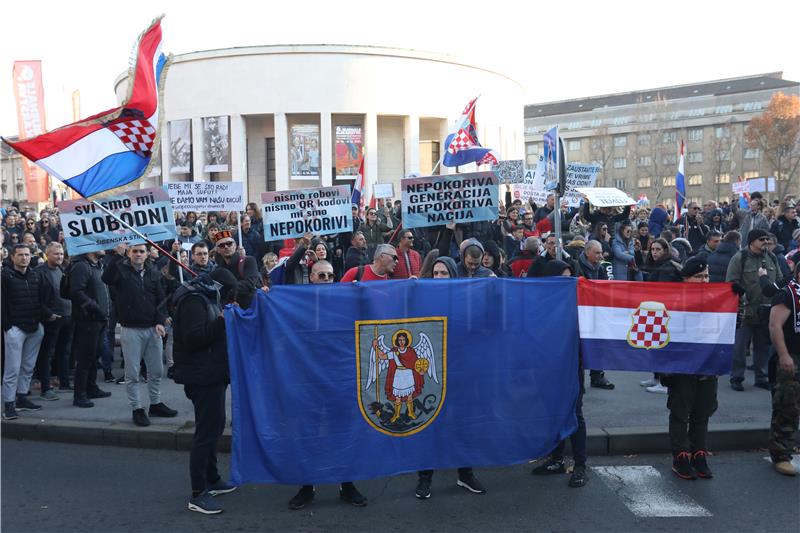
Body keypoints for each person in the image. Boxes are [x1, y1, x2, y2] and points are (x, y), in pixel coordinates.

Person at [288, 259, 368, 509]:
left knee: (343, 433)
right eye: (320, 275)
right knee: (308, 434)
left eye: (330, 276)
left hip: (339, 380)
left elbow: (372, 313)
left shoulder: (345, 301)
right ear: (310, 277)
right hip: (308, 382)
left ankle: (347, 483)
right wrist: (268, 297)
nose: (325, 280)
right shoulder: (297, 303)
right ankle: (307, 485)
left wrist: (361, 295)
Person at [413, 253, 486, 499]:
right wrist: (409, 290)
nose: (439, 277)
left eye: (444, 273)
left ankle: (465, 474)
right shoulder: (423, 298)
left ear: (453, 275)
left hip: (462, 373)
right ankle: (425, 478)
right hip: (433, 376)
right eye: (435, 273)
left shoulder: (466, 299)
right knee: (429, 425)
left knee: (463, 425)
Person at [172, 268, 240, 514]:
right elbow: (193, 339)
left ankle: (212, 478)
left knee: (215, 426)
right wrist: (221, 321)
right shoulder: (194, 301)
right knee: (206, 432)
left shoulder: (207, 298)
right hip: (201, 376)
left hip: (212, 372)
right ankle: (197, 493)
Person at [102, 244, 177, 426]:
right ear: (129, 253)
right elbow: (107, 278)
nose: (138, 254)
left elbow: (161, 300)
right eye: (134, 251)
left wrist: (160, 321)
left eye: (141, 251)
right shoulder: (120, 270)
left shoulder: (154, 273)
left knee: (157, 370)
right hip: (131, 330)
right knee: (133, 374)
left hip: (152, 329)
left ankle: (155, 403)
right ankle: (137, 408)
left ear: (146, 255)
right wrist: (116, 256)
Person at [531, 258, 588, 487]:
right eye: (560, 279)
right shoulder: (540, 303)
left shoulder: (580, 303)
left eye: (569, 278)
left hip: (572, 365)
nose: (566, 283)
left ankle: (580, 465)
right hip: (547, 365)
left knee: (574, 413)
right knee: (552, 411)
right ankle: (556, 459)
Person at [661, 256, 718, 480]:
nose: (704, 280)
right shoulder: (674, 301)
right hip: (681, 368)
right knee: (680, 413)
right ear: (685, 278)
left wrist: (736, 298)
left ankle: (699, 454)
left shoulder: (717, 298)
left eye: (706, 276)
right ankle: (681, 455)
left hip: (707, 366)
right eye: (698, 276)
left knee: (702, 413)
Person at [726, 229, 783, 391]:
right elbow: (731, 283)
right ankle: (736, 377)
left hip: (766, 311)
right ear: (752, 242)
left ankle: (761, 377)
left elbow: (778, 280)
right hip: (746, 311)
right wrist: (743, 299)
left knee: (762, 347)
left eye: (767, 238)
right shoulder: (740, 258)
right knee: (739, 347)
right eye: (761, 239)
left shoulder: (771, 257)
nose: (765, 241)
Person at [2, 245, 52, 419]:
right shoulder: (4, 276)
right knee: (12, 369)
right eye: (20, 255)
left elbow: (42, 299)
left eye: (27, 255)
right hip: (16, 328)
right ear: (13, 257)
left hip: (35, 327)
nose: (24, 258)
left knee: (28, 366)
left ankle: (22, 398)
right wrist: (7, 326)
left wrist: (46, 317)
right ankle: (9, 404)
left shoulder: (35, 275)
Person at [766, 261, 800, 476]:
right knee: (787, 407)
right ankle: (781, 455)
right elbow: (775, 325)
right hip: (793, 358)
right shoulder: (788, 294)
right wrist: (784, 355)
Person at [68, 248, 113, 408]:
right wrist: (93, 307)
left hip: (100, 319)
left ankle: (91, 388)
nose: (104, 248)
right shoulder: (81, 266)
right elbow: (76, 291)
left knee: (94, 355)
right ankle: (79, 395)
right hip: (88, 319)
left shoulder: (98, 265)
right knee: (85, 357)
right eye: (99, 245)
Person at [573, 240, 615, 390]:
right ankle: (576, 380)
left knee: (597, 344)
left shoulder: (601, 267)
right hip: (580, 312)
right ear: (587, 252)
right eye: (597, 253)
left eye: (601, 252)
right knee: (579, 347)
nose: (600, 256)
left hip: (596, 311)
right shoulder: (576, 266)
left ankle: (597, 376)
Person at [34, 242, 73, 400]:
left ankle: (64, 382)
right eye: (56, 254)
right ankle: (45, 387)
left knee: (64, 352)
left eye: (61, 254)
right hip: (51, 318)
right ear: (47, 255)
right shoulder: (39, 272)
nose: (59, 257)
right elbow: (35, 297)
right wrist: (48, 314)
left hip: (67, 316)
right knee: (47, 353)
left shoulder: (63, 269)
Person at [212, 230, 261, 310]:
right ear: (217, 250)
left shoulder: (248, 261)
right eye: (221, 245)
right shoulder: (218, 269)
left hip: (251, 309)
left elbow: (250, 283)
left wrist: (232, 294)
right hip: (230, 312)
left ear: (235, 245)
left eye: (229, 243)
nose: (226, 247)